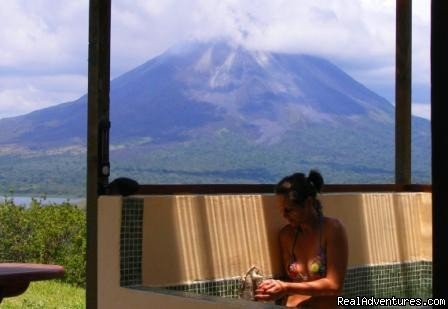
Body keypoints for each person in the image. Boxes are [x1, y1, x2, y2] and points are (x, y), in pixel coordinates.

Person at [255, 170, 348, 308]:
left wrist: (286, 287)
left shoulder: (332, 230)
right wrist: (271, 289)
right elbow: (290, 282)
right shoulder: (286, 236)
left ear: (309, 203)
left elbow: (334, 286)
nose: (284, 216)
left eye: (289, 210)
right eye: (282, 211)